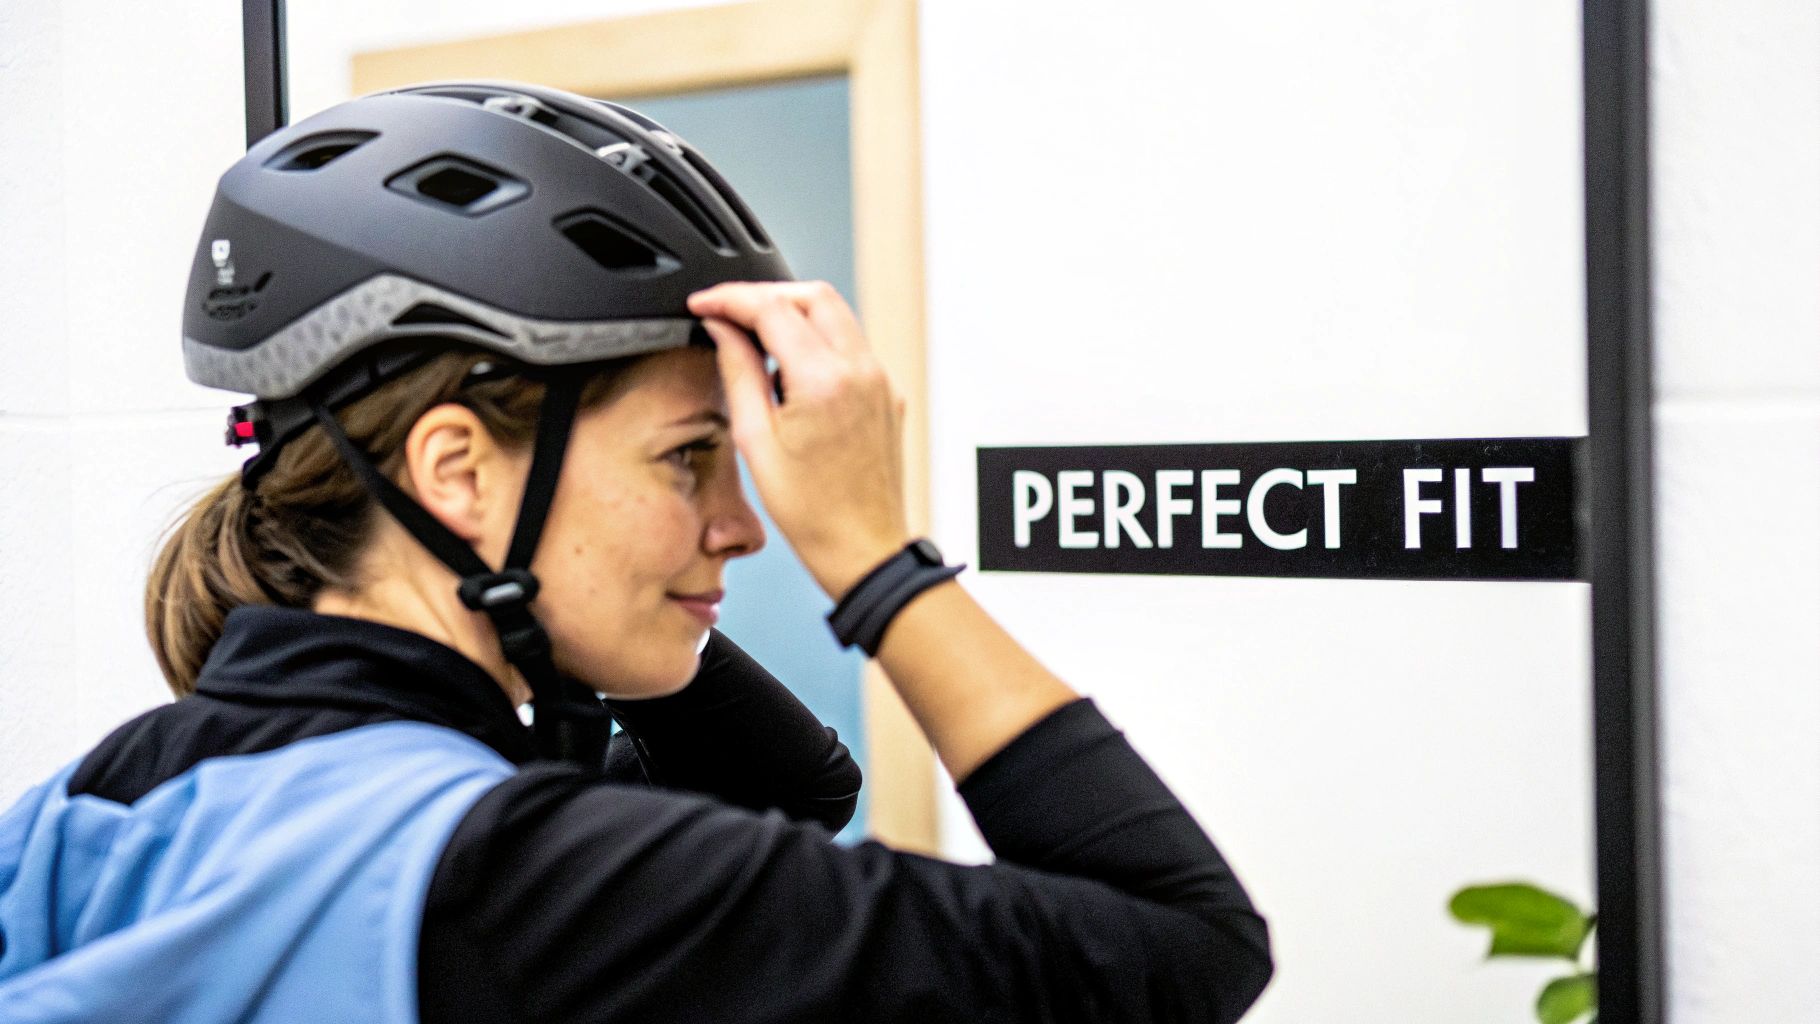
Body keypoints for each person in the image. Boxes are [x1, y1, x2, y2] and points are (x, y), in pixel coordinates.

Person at [0, 82, 1271, 1023]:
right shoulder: (533, 883)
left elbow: (784, 794)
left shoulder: (86, 808)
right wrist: (871, 554)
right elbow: (1181, 943)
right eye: (686, 458)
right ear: (456, 470)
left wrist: (535, 606)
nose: (747, 524)